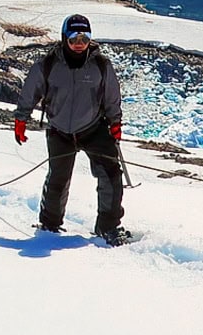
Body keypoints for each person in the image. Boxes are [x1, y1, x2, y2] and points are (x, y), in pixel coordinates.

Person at [13, 14, 129, 245]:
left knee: (111, 175)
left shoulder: (101, 65)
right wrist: (21, 119)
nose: (79, 43)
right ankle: (49, 225)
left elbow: (111, 96)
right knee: (58, 178)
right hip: (60, 131)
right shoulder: (48, 65)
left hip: (93, 128)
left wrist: (115, 123)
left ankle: (108, 227)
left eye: (85, 38)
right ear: (64, 37)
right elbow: (30, 91)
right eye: (74, 37)